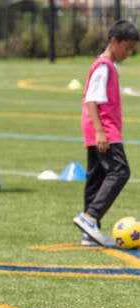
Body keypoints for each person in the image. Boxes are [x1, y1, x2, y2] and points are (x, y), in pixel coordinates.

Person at [74, 19, 138, 247]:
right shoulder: (103, 67)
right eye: (127, 47)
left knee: (96, 177)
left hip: (97, 129)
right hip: (104, 130)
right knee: (120, 172)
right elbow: (91, 99)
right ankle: (90, 217)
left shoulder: (106, 66)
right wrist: (101, 132)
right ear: (114, 41)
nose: (129, 53)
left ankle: (89, 233)